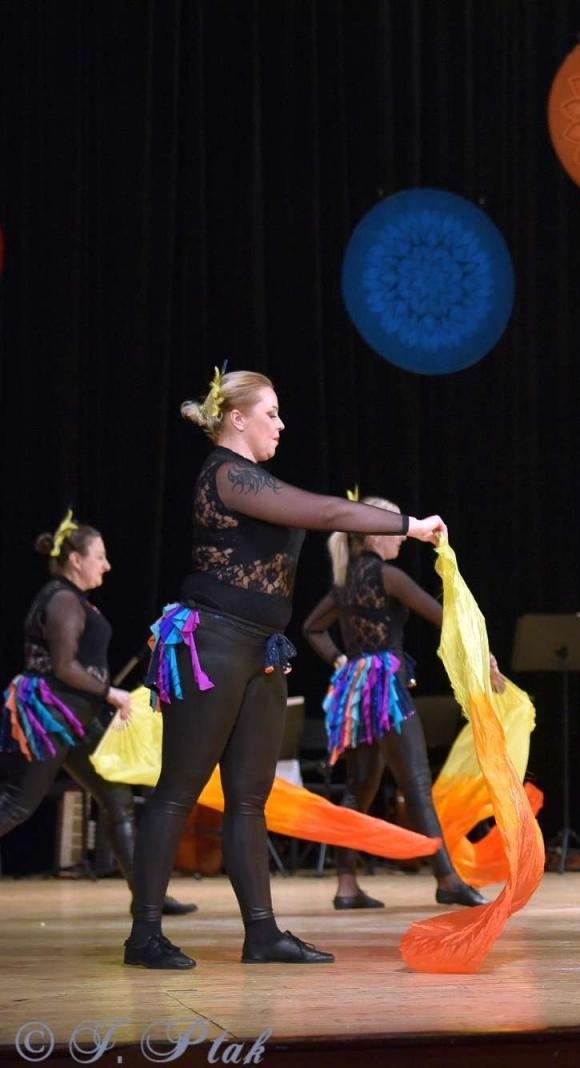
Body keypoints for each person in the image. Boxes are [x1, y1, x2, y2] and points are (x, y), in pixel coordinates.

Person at [124, 368, 448, 969]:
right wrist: (408, 524)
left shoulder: (256, 478)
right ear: (237, 418)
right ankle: (144, 935)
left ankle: (263, 933)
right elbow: (325, 513)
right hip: (213, 644)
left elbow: (313, 513)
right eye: (270, 413)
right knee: (179, 791)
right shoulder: (225, 473)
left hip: (262, 651)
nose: (281, 423)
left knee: (250, 800)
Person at [301, 493, 500, 911]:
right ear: (375, 535)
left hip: (356, 694)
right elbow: (444, 618)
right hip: (387, 691)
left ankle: (346, 884)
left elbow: (311, 628)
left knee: (359, 788)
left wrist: (341, 661)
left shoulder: (345, 580)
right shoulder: (387, 577)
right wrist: (484, 654)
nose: (401, 539)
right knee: (417, 785)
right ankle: (447, 878)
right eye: (395, 530)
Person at [1, 514, 194, 915]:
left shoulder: (74, 599)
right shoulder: (62, 599)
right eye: (100, 557)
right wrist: (111, 693)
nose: (106, 565)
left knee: (117, 800)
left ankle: (147, 899)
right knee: (17, 805)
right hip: (51, 715)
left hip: (77, 719)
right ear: (75, 560)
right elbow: (64, 667)